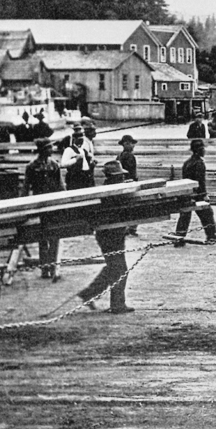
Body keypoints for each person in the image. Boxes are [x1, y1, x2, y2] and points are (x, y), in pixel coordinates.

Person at [73, 160, 134, 314]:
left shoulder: (112, 190)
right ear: (113, 177)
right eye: (120, 176)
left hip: (112, 234)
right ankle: (117, 305)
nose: (122, 178)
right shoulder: (110, 193)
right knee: (119, 268)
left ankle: (89, 294)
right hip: (110, 235)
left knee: (114, 267)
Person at [166, 139, 216, 246]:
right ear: (199, 150)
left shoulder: (187, 163)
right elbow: (201, 181)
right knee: (207, 213)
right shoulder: (199, 163)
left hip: (187, 193)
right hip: (197, 194)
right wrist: (204, 195)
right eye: (203, 148)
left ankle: (179, 237)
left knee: (185, 215)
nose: (204, 151)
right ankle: (211, 236)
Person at [23, 138, 64, 280]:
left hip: (53, 206)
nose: (51, 150)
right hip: (40, 206)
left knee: (54, 236)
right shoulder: (32, 167)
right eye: (48, 147)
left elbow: (61, 186)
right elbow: (26, 188)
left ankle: (53, 268)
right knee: (43, 238)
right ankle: (45, 269)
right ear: (42, 150)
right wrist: (24, 207)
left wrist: (64, 203)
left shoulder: (54, 165)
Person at [116, 134, 139, 236]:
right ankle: (132, 228)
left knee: (125, 206)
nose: (133, 146)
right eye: (130, 144)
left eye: (132, 144)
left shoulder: (119, 156)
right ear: (125, 144)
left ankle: (126, 227)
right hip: (130, 184)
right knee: (133, 206)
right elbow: (132, 173)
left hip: (122, 184)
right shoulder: (130, 156)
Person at [60, 125, 95, 190]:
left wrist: (91, 161)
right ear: (74, 139)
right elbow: (63, 164)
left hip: (85, 176)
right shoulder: (69, 150)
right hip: (74, 177)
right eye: (79, 140)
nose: (81, 142)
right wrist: (75, 159)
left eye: (82, 140)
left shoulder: (83, 150)